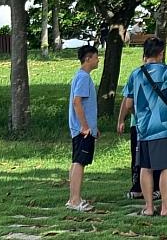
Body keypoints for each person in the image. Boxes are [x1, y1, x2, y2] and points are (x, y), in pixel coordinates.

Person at [117, 37, 167, 217]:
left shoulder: (135, 74)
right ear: (161, 53)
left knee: (145, 167)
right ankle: (166, 207)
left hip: (143, 128)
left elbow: (129, 103)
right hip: (164, 127)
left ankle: (148, 207)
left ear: (144, 53)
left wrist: (136, 117)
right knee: (166, 167)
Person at [119, 55, 161, 200]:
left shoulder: (135, 75)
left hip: (139, 123)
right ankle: (152, 188)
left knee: (139, 157)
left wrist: (122, 119)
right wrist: (121, 119)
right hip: (155, 124)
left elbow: (127, 101)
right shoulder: (165, 74)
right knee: (153, 157)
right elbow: (127, 100)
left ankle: (139, 187)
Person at [67, 44, 100, 212]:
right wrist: (85, 126)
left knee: (76, 162)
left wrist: (94, 126)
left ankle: (74, 197)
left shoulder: (81, 77)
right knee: (79, 162)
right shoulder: (83, 78)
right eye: (96, 57)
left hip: (83, 128)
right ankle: (75, 200)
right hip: (82, 130)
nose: (98, 60)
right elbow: (77, 102)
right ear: (88, 59)